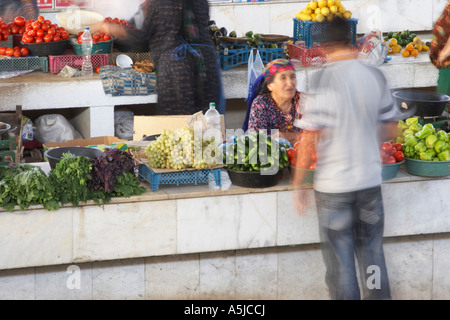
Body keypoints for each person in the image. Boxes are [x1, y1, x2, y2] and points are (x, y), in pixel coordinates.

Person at [290, 17, 407, 300]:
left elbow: (308, 140)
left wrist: (298, 185)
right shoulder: (375, 76)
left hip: (334, 189)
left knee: (342, 267)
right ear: (352, 42)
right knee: (372, 256)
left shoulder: (323, 79)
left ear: (325, 46)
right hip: (369, 184)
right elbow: (392, 130)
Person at [98, 0, 224, 116]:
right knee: (209, 125)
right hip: (207, 65)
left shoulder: (160, 2)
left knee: (178, 130)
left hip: (178, 71)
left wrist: (111, 29)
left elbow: (142, 40)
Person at [243, 59, 302, 146]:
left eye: (292, 77)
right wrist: (296, 137)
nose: (290, 83)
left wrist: (282, 136)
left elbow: (315, 138)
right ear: (270, 85)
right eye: (283, 78)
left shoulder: (303, 100)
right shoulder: (261, 104)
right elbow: (256, 142)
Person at [430, 0, 450, 112]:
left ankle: (442, 121)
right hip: (445, 63)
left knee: (443, 98)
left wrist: (444, 54)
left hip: (447, 63)